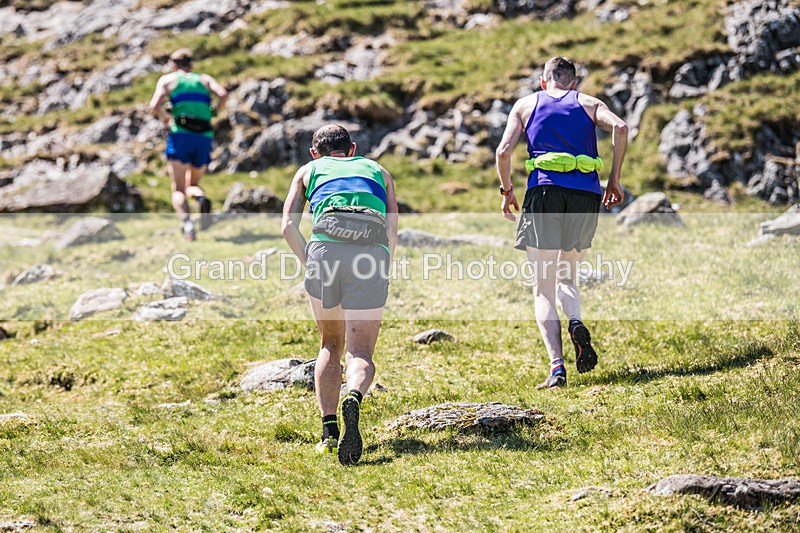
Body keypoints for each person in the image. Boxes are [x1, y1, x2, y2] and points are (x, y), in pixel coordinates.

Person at [494, 56, 628, 389]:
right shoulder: (588, 102)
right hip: (585, 195)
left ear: (544, 81)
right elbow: (621, 128)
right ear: (573, 82)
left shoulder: (526, 105)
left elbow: (503, 152)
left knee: (542, 287)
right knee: (568, 276)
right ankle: (576, 321)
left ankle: (557, 368)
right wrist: (614, 180)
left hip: (545, 193)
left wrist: (507, 191)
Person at [282, 124, 398, 464]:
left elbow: (287, 226)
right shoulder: (379, 170)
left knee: (330, 344)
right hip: (371, 254)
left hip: (325, 254)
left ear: (315, 153)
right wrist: (383, 261)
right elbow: (392, 228)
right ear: (353, 149)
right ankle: (355, 396)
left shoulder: (308, 170)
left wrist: (311, 262)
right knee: (360, 351)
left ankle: (329, 432)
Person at [148, 48, 228, 241]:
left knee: (178, 188)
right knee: (193, 183)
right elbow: (223, 94)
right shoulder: (204, 79)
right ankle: (200, 198)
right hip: (204, 136)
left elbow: (154, 106)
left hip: (181, 135)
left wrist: (164, 118)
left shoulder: (168, 80)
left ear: (173, 64)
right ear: (192, 64)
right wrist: (215, 111)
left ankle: (188, 224)